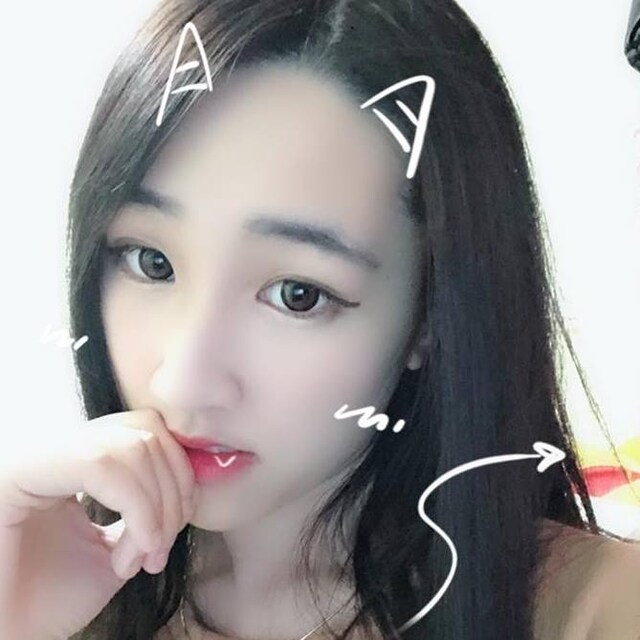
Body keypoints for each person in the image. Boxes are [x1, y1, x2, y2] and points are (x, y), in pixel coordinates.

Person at [1, 1, 638, 639]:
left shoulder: (599, 612)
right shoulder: (54, 580)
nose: (183, 382)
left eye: (298, 295)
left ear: (429, 314)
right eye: (151, 262)